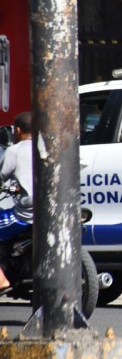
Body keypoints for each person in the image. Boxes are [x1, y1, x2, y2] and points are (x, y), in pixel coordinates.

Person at [0, 112, 34, 291]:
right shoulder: (47, 147)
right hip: (52, 211)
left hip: (26, 214)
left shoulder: (14, 151)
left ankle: (1, 280)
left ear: (18, 130)